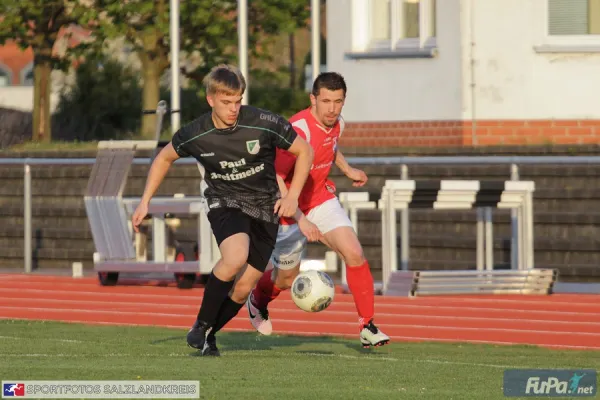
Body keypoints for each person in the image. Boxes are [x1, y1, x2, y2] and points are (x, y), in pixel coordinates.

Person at [131, 64, 314, 357]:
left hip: (266, 208)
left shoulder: (264, 122)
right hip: (225, 201)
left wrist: (292, 196)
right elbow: (164, 158)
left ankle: (209, 335)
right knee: (235, 256)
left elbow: (305, 151)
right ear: (211, 99)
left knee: (243, 288)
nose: (233, 108)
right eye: (226, 102)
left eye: (238, 101)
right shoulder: (196, 133)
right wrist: (144, 201)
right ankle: (202, 324)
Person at [246, 72, 390, 348]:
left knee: (354, 253)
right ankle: (257, 300)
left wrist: (348, 170)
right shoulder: (298, 130)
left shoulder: (336, 123)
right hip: (287, 209)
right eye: (326, 101)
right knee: (286, 279)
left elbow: (331, 147)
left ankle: (367, 326)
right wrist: (299, 218)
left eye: (338, 101)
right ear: (313, 99)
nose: (332, 108)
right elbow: (273, 176)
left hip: (321, 199)